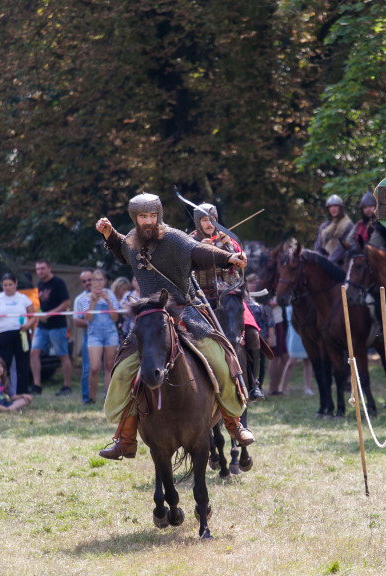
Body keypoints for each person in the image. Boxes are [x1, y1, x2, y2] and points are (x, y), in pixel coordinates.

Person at [95, 191, 254, 460]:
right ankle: (126, 437)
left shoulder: (175, 238)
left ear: (159, 215)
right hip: (150, 319)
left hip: (185, 314)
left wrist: (228, 258)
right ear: (135, 217)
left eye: (152, 215)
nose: (148, 221)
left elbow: (198, 251)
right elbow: (124, 251)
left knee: (222, 359)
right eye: (142, 216)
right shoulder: (133, 241)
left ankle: (233, 422)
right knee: (122, 370)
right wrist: (110, 234)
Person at [191, 203, 265, 401]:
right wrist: (201, 250)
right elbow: (183, 265)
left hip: (230, 297)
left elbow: (241, 260)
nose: (209, 224)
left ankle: (254, 383)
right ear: (197, 221)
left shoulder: (228, 239)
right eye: (205, 220)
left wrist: (229, 247)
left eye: (212, 219)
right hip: (201, 300)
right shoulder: (189, 242)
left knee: (252, 334)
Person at [30, 259, 72, 395]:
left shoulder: (58, 283)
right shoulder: (40, 283)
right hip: (42, 326)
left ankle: (67, 386)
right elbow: (43, 304)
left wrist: (50, 314)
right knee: (34, 353)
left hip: (57, 325)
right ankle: (37, 386)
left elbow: (66, 302)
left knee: (63, 355)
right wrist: (41, 314)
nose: (39, 271)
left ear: (49, 268)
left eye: (42, 268)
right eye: (37, 269)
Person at [80, 269, 120, 404]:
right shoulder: (86, 297)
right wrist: (93, 301)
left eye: (100, 279)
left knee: (109, 366)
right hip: (94, 334)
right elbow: (88, 319)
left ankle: (108, 398)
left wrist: (108, 302)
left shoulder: (111, 295)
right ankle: (91, 397)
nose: (98, 283)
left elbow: (115, 318)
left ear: (105, 281)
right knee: (94, 367)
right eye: (95, 280)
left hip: (110, 332)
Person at [0, 273, 35, 395]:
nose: (7, 287)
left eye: (10, 284)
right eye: (5, 285)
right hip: (4, 336)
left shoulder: (23, 298)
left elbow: (33, 317)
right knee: (2, 367)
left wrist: (28, 325)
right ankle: (3, 394)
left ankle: (22, 395)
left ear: (16, 284)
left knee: (22, 367)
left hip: (21, 335)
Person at [314, 194, 354, 268]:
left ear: (340, 208)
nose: (333, 209)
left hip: (342, 264)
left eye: (335, 206)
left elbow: (342, 249)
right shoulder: (324, 226)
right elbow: (318, 247)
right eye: (331, 206)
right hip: (324, 261)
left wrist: (328, 262)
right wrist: (317, 259)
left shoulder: (348, 225)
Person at [73, 270, 93, 403]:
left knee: (110, 367)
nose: (87, 283)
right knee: (87, 369)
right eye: (84, 281)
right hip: (90, 336)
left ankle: (108, 398)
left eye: (89, 280)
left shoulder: (107, 294)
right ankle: (86, 397)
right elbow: (76, 321)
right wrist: (92, 323)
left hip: (108, 335)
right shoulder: (80, 299)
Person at [110, 277, 132, 343]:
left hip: (125, 328)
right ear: (117, 289)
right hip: (113, 327)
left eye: (127, 289)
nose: (126, 291)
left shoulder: (128, 299)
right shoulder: (111, 298)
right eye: (123, 289)